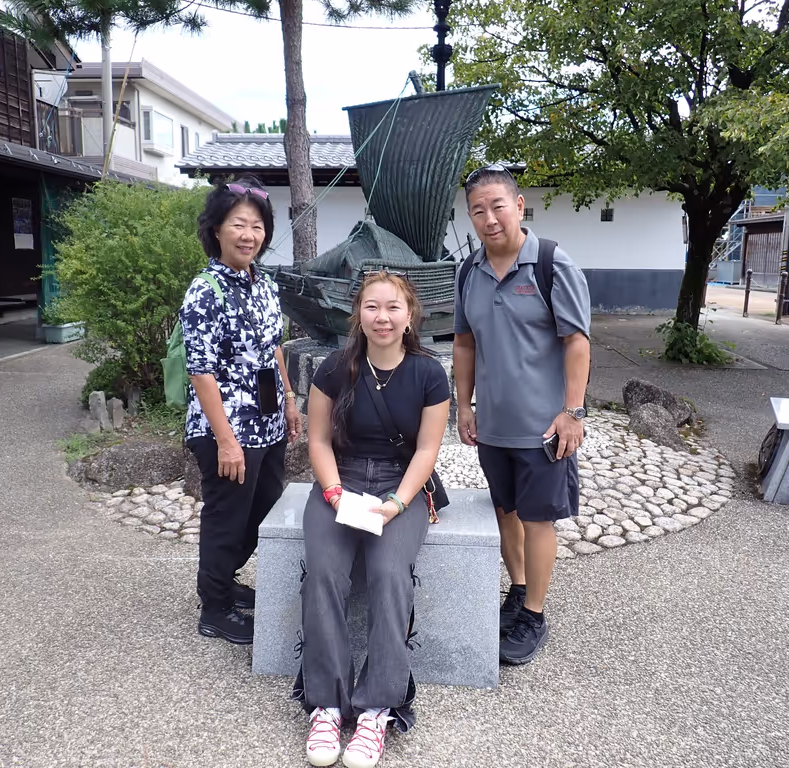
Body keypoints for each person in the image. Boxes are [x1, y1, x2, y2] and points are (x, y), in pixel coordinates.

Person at [293, 272, 450, 768]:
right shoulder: (336, 368)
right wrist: (335, 492)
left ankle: (378, 706)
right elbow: (317, 440)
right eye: (372, 307)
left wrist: (399, 503)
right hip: (339, 479)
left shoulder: (429, 373)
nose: (382, 317)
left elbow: (427, 450)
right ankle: (325, 703)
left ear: (410, 316)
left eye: (393, 308)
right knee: (323, 572)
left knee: (388, 575)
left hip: (398, 485)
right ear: (357, 314)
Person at [453, 164, 591, 666]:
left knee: (537, 518)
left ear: (520, 204)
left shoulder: (553, 264)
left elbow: (577, 342)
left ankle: (534, 613)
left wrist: (572, 413)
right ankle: (517, 589)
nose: (489, 218)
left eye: (498, 206)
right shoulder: (468, 271)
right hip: (492, 424)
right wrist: (463, 405)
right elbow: (464, 343)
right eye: (477, 210)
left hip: (544, 428)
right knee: (504, 511)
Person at [180, 178, 302, 645]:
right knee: (227, 517)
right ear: (216, 230)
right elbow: (201, 371)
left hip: (267, 423)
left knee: (261, 514)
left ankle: (223, 581)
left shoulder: (264, 283)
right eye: (238, 225)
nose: (248, 235)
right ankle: (214, 607)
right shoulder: (205, 290)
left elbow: (273, 349)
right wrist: (227, 440)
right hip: (226, 431)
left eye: (257, 226)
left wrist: (290, 401)